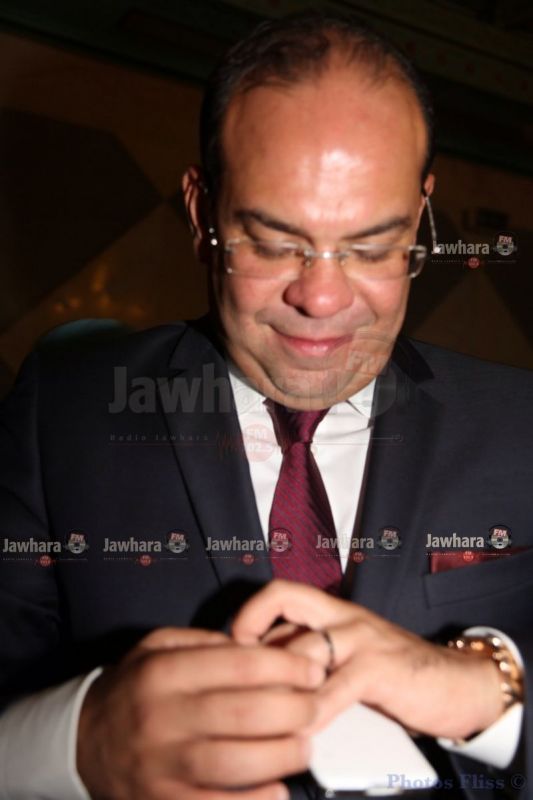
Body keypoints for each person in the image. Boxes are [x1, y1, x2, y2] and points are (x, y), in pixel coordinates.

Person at [0, 11, 532, 800]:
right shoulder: (61, 412)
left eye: (372, 245)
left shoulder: (522, 423)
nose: (321, 298)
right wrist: (76, 743)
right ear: (200, 211)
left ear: (422, 212)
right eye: (274, 242)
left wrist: (493, 694)